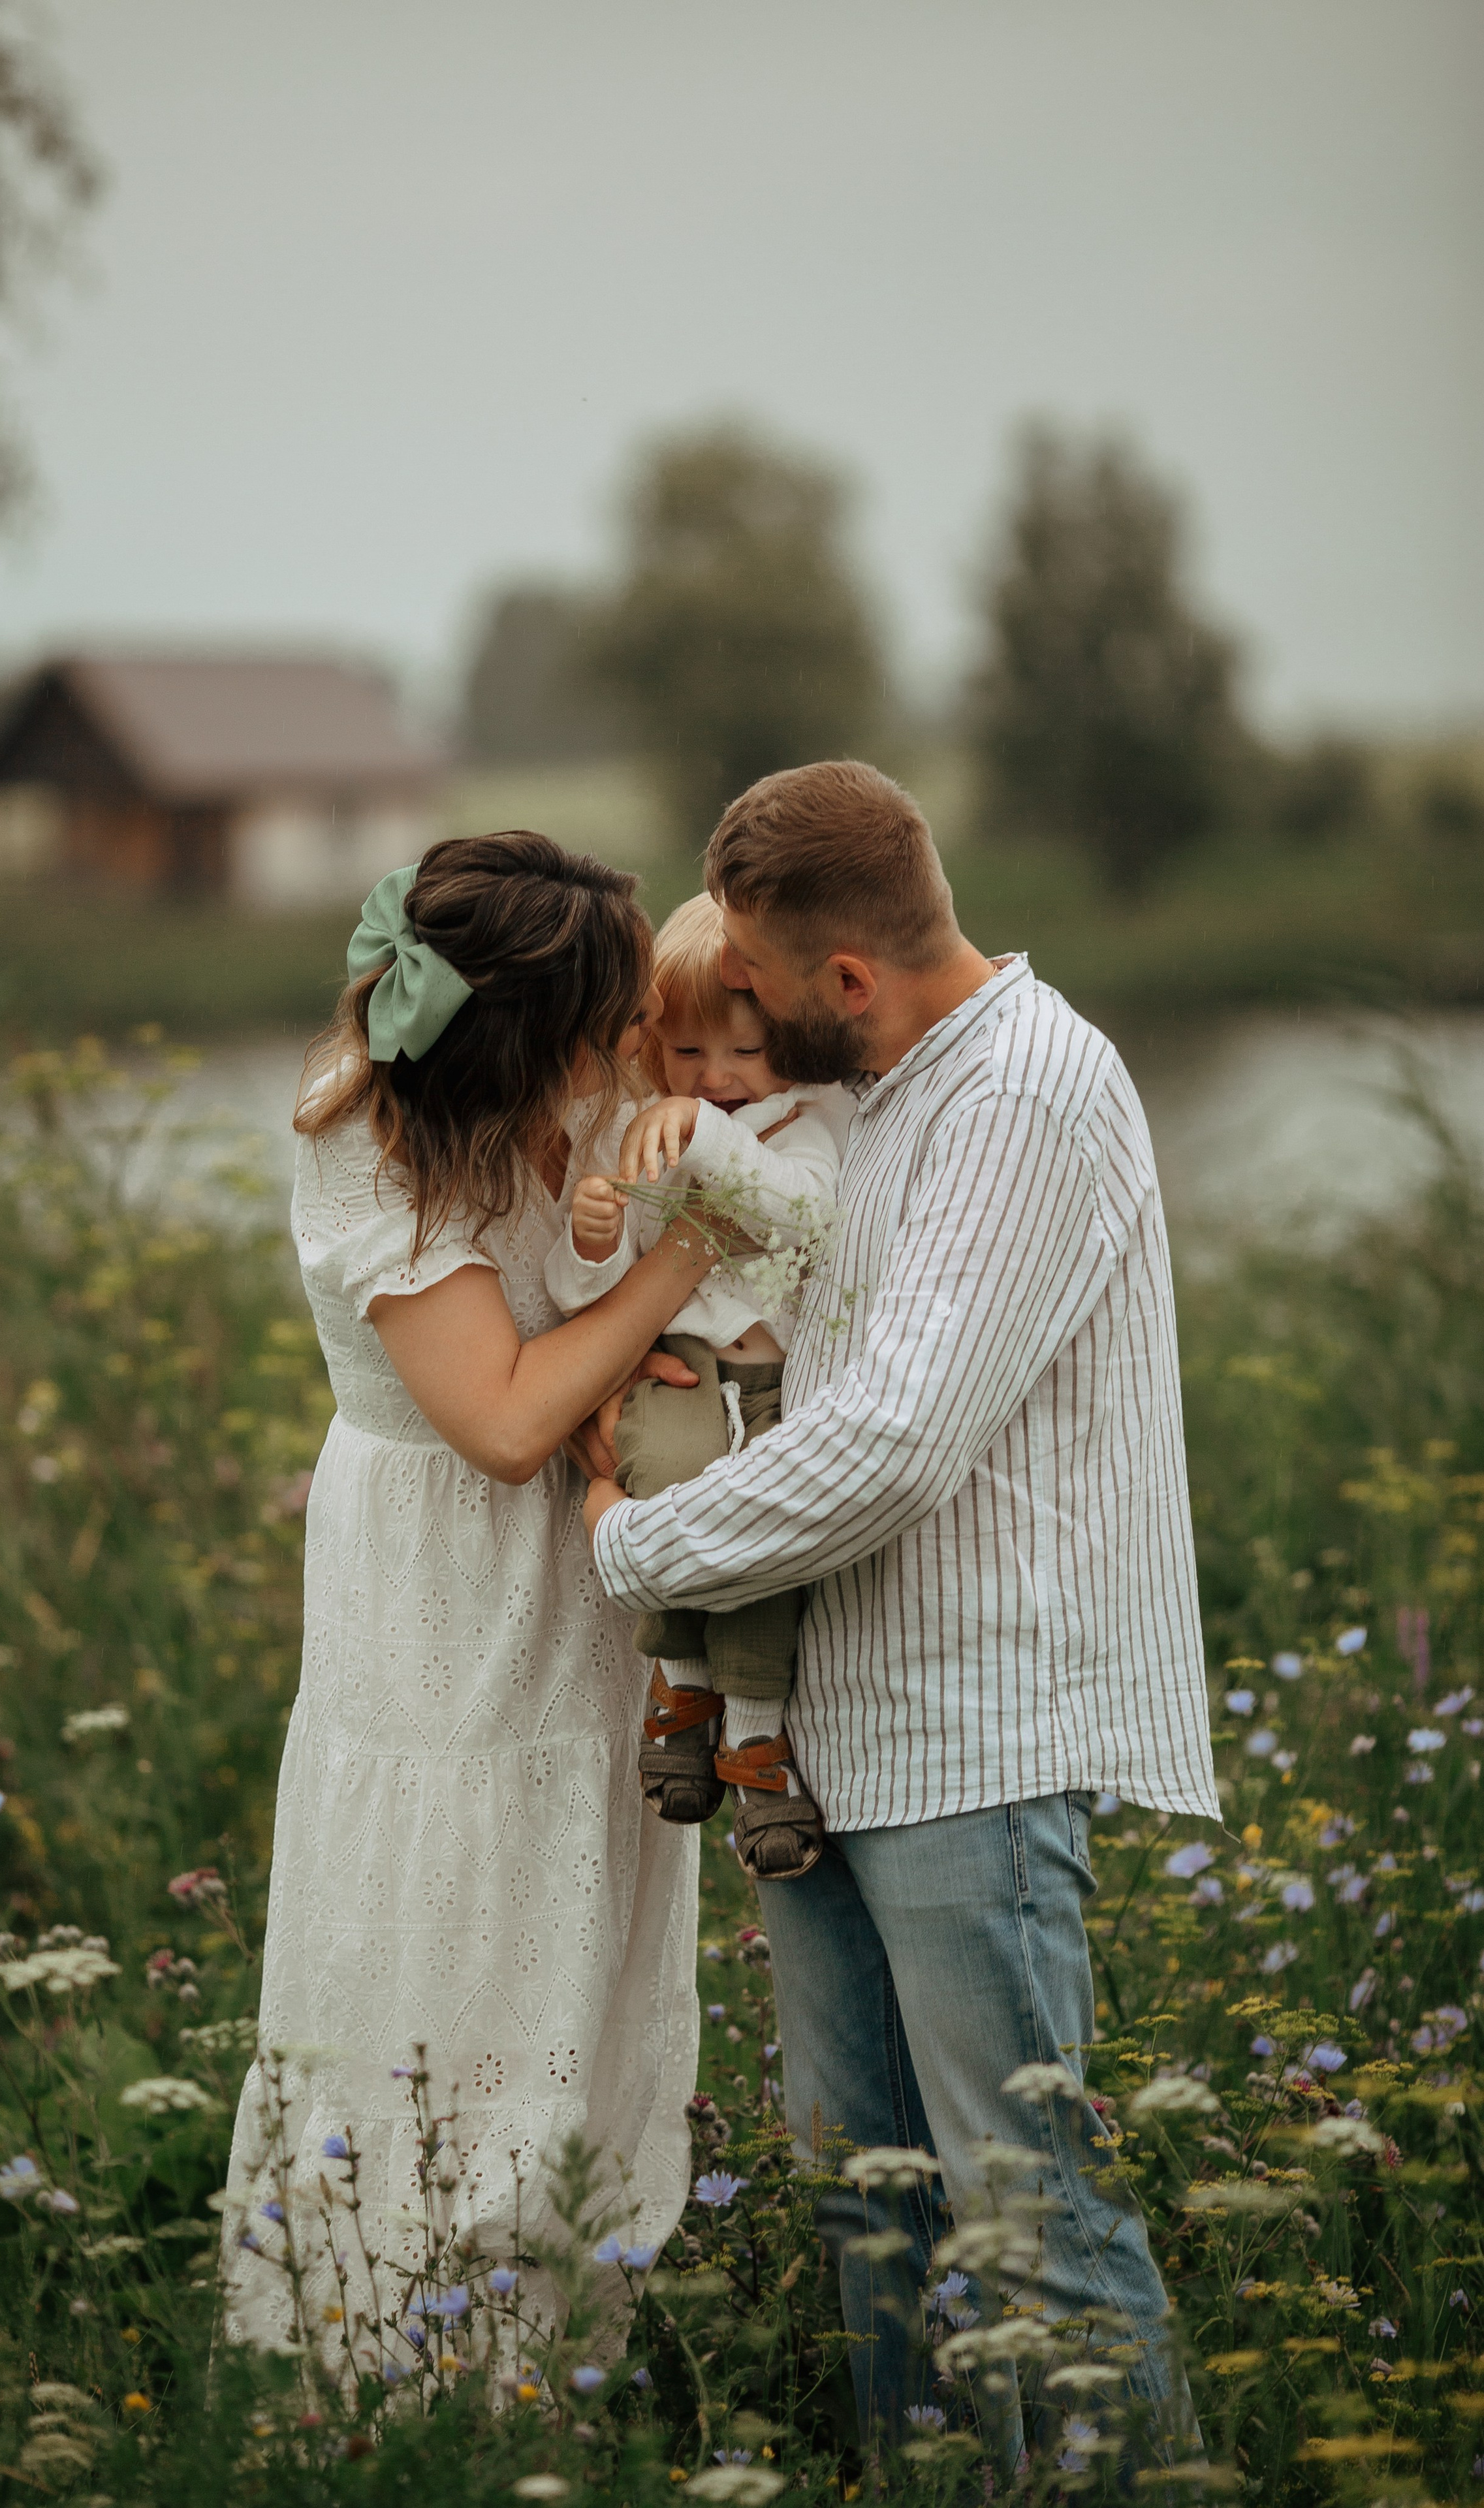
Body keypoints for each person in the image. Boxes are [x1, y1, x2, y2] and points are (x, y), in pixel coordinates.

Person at [577, 762, 1219, 2455]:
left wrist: (638, 1550)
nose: (752, 1028)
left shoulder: (1023, 1095)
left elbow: (894, 1445)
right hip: (835, 1736)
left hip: (977, 1734)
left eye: (766, 995)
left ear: (846, 978)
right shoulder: (876, 1088)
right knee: (875, 2211)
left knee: (1034, 2227)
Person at [221, 833, 717, 2381]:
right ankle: (404, 2357)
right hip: (445, 1590)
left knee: (570, 1921)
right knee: (448, 1929)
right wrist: (690, 1255)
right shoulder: (369, 1143)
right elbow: (500, 1423)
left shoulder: (571, 1084)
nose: (634, 1039)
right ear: (525, 1041)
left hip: (571, 1589)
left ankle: (555, 2350)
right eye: (610, 1018)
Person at [544, 893, 847, 1881]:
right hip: (676, 1372)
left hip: (769, 1385)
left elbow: (797, 1214)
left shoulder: (803, 1133)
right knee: (666, 1485)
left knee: (764, 1548)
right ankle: (680, 1688)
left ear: (793, 1048)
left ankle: (757, 1742)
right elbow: (595, 1287)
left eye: (747, 1054)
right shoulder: (642, 1136)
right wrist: (592, 1240)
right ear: (654, 1049)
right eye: (687, 1056)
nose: (717, 1080)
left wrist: (703, 1134)